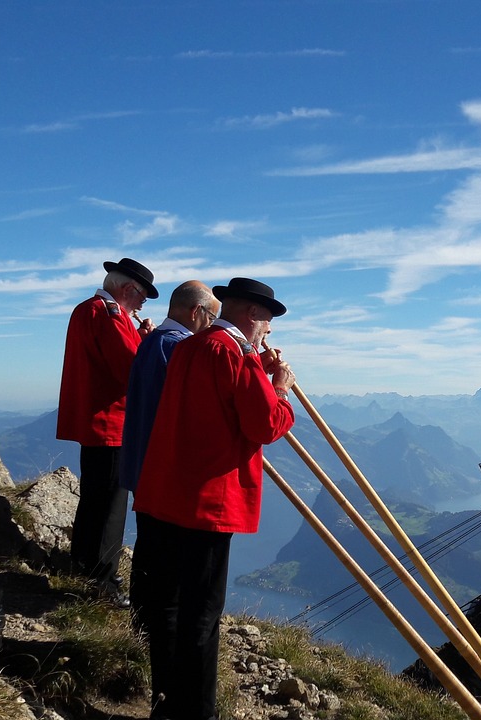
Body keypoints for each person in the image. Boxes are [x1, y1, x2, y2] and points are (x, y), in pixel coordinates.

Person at [133, 277, 295, 720]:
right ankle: (196, 712)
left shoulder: (191, 345)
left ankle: (164, 702)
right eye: (267, 320)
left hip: (165, 493)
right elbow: (266, 424)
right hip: (207, 504)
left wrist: (259, 370)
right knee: (202, 616)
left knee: (166, 605)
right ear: (251, 315)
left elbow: (213, 403)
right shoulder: (236, 353)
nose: (268, 330)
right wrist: (279, 385)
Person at [115, 280, 221, 618]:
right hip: (165, 470)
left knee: (150, 550)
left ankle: (142, 625)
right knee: (168, 561)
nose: (212, 326)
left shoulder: (152, 343)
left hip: (142, 463)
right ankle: (155, 631)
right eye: (212, 317)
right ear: (196, 312)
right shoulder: (178, 349)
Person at [56, 257, 157, 590]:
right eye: (142, 296)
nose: (142, 303)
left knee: (94, 500)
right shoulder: (110, 315)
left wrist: (138, 335)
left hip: (96, 421)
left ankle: (82, 567)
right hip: (111, 423)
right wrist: (149, 345)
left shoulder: (90, 309)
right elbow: (130, 369)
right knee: (110, 507)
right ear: (128, 289)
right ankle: (101, 581)